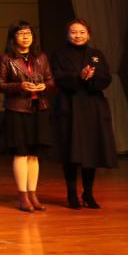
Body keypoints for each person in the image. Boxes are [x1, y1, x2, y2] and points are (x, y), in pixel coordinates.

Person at [50, 19, 118, 209]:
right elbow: (56, 77)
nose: (77, 36)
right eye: (73, 32)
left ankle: (88, 193)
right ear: (67, 35)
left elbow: (106, 78)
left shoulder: (96, 54)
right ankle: (71, 194)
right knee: (70, 151)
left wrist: (92, 76)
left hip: (92, 106)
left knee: (91, 151)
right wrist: (78, 76)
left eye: (81, 32)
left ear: (88, 35)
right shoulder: (59, 55)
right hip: (69, 106)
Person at [0, 21, 55, 213]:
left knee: (34, 155)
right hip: (17, 109)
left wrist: (45, 86)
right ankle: (23, 195)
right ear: (13, 37)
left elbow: (50, 79)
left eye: (28, 33)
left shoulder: (41, 57)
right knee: (21, 153)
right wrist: (20, 86)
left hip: (39, 108)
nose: (25, 37)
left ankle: (33, 194)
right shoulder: (6, 58)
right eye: (21, 33)